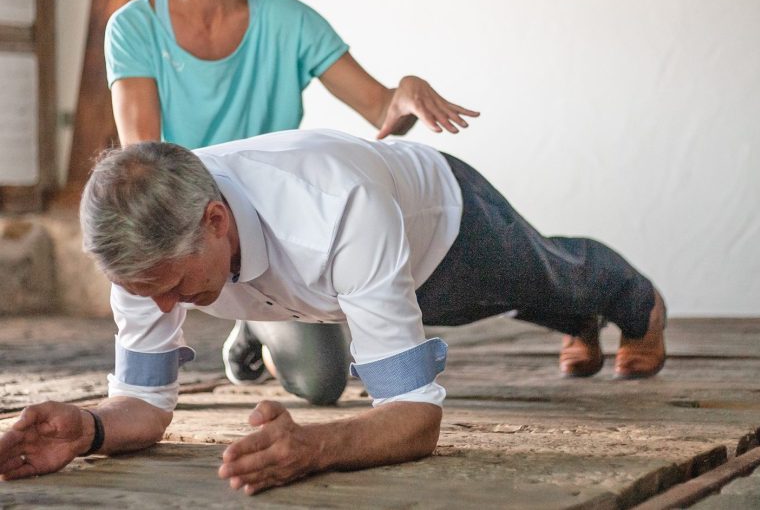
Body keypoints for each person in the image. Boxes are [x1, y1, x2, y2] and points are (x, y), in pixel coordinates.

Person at [0, 130, 666, 495]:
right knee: (535, 303)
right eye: (146, 294)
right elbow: (145, 406)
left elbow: (417, 419)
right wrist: (87, 427)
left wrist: (317, 446)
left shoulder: (335, 209)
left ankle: (638, 306)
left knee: (551, 279)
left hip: (447, 228)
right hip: (315, 291)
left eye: (175, 287)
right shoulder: (145, 258)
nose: (165, 309)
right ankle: (576, 322)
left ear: (215, 221)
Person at [107, 0, 479, 404]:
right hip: (191, 236)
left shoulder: (288, 19)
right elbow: (146, 164)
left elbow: (379, 109)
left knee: (320, 385)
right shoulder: (131, 28)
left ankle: (251, 316)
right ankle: (245, 312)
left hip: (271, 235)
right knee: (317, 376)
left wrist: (402, 97)